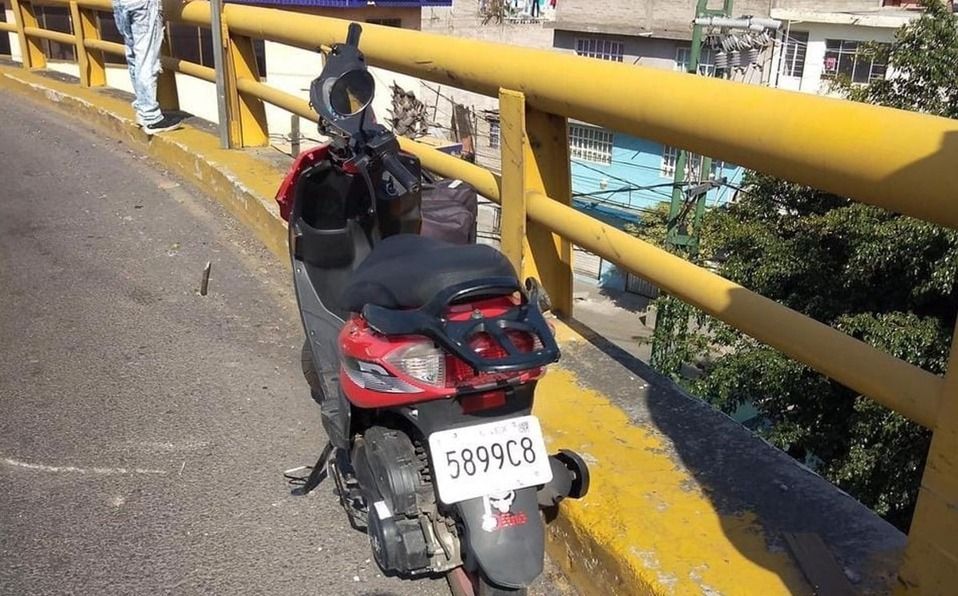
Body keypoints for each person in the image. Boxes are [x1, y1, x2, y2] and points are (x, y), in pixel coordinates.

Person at [113, 0, 181, 134]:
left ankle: (143, 109)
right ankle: (151, 117)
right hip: (143, 5)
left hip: (120, 4)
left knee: (134, 57)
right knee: (146, 59)